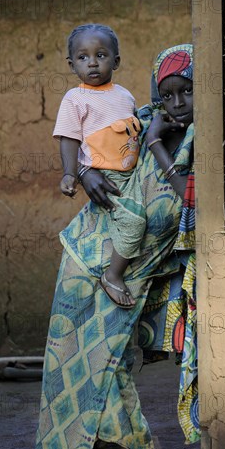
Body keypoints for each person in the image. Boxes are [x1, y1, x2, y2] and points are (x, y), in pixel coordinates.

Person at [34, 43, 198, 449]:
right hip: (84, 249)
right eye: (168, 94)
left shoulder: (197, 142)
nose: (177, 103)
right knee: (66, 360)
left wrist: (156, 147)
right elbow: (89, 143)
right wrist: (84, 173)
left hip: (132, 270)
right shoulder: (139, 119)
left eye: (187, 92)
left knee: (108, 360)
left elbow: (191, 200)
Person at [56, 23, 149, 308]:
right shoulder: (76, 98)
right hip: (106, 176)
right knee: (134, 222)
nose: (92, 62)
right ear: (72, 66)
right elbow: (69, 138)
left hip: (132, 173)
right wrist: (72, 173)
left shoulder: (125, 95)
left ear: (116, 61)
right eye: (83, 58)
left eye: (101, 55)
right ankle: (113, 275)